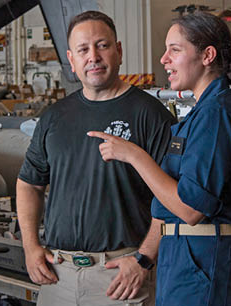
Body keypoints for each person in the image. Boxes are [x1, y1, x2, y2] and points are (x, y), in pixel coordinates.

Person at [88, 12, 231, 306]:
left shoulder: (216, 114)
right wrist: (143, 258)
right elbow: (170, 203)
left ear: (207, 55)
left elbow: (191, 208)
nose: (164, 59)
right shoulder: (200, 113)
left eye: (174, 50)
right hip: (184, 256)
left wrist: (135, 155)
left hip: (205, 260)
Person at [16, 10, 175, 306]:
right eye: (83, 49)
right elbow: (29, 184)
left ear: (119, 51)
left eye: (102, 45)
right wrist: (30, 246)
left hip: (120, 278)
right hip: (57, 274)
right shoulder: (54, 118)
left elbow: (173, 197)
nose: (93, 56)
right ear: (71, 60)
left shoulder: (151, 116)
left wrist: (144, 259)